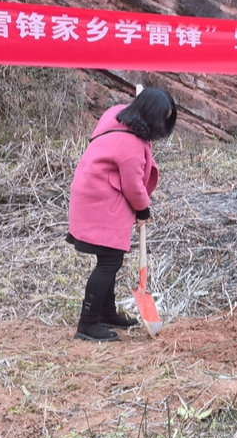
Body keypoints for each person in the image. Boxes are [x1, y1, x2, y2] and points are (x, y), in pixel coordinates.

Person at [67, 87, 177, 342]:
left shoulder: (117, 115)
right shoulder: (131, 146)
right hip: (100, 202)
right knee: (109, 262)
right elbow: (133, 185)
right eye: (163, 119)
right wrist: (143, 209)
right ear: (151, 117)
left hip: (94, 193)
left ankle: (105, 312)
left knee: (109, 259)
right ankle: (88, 323)